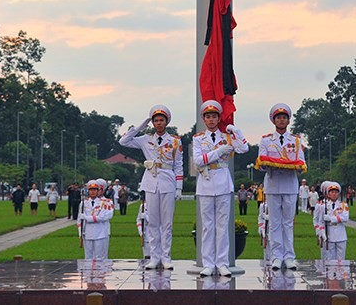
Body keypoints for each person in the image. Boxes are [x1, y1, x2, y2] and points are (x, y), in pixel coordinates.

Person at [119, 104, 183, 270]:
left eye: (161, 120)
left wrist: (179, 187)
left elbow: (179, 165)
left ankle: (166, 257)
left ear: (166, 122)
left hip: (168, 180)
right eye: (155, 120)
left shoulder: (175, 141)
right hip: (151, 181)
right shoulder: (145, 139)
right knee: (153, 222)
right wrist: (143, 124)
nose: (159, 123)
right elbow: (123, 140)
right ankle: (154, 257)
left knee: (167, 223)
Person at [193, 100, 249, 277]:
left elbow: (244, 148)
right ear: (204, 119)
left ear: (218, 119)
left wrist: (236, 132)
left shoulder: (227, 136)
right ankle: (208, 263)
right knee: (208, 226)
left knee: (223, 226)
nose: (211, 120)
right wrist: (218, 152)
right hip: (206, 183)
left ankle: (222, 263)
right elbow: (198, 161)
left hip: (223, 183)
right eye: (208, 117)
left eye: (214, 116)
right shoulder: (198, 139)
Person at [256, 103, 306, 271]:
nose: (281, 120)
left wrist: (297, 166)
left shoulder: (296, 141)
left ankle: (290, 257)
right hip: (273, 183)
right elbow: (261, 162)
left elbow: (302, 162)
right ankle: (276, 256)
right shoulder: (266, 140)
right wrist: (268, 165)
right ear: (274, 120)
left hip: (290, 184)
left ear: (288, 120)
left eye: (284, 117)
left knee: (288, 223)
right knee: (275, 223)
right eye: (278, 118)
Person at [78, 180, 114, 260]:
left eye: (94, 190)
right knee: (88, 257)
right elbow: (79, 219)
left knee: (99, 257)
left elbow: (103, 217)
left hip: (100, 233)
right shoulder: (84, 203)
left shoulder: (104, 203)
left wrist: (87, 218)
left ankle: (99, 272)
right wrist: (80, 233)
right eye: (91, 190)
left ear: (98, 191)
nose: (92, 192)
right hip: (87, 233)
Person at [323, 182, 349, 260]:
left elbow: (345, 218)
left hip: (340, 234)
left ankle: (339, 272)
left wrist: (331, 219)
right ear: (328, 194)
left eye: (336, 192)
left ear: (338, 194)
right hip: (329, 234)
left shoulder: (343, 205)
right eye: (332, 192)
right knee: (330, 259)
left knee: (341, 259)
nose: (334, 194)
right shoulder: (325, 205)